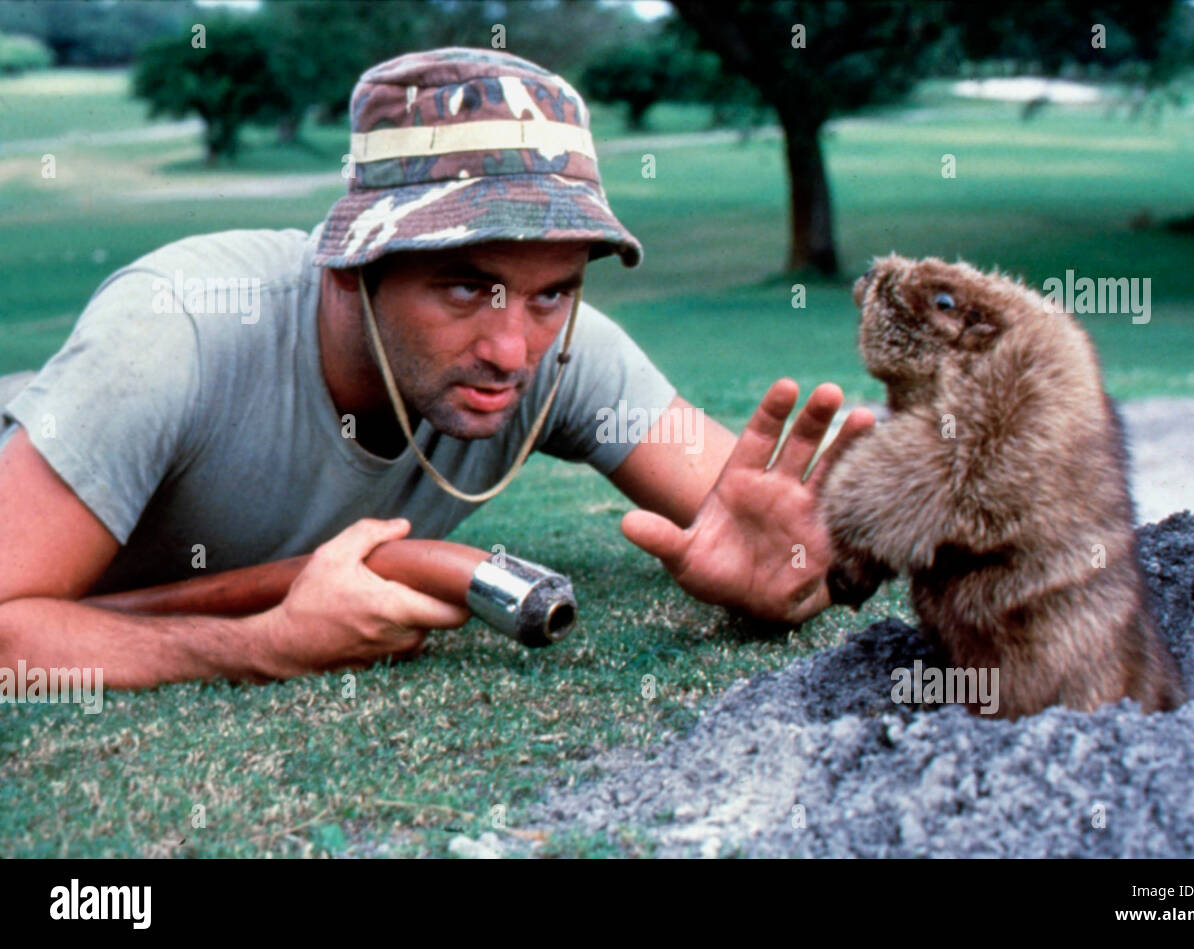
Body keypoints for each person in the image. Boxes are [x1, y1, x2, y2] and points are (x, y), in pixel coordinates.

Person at [0, 48, 874, 689]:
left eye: (552, 293)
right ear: (352, 262)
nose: (512, 349)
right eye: (465, 286)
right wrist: (259, 645)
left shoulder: (561, 348)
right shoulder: (171, 335)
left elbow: (749, 509)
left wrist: (796, 565)